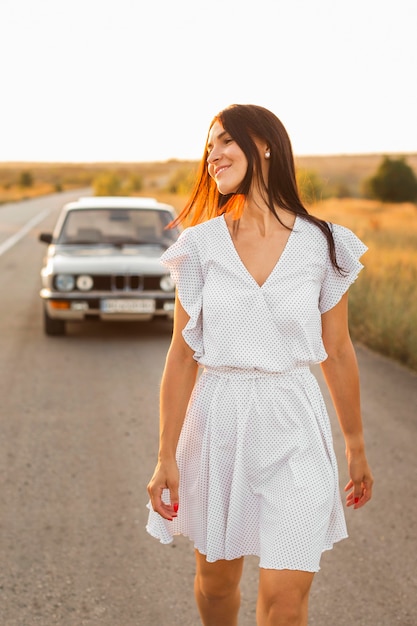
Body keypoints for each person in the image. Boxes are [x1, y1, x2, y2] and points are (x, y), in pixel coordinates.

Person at [147, 104, 373, 626]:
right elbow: (182, 355)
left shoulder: (325, 244)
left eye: (225, 141)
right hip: (219, 420)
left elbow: (337, 350)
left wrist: (356, 444)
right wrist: (165, 456)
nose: (213, 156)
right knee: (217, 585)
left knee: (286, 601)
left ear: (264, 144)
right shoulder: (200, 248)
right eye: (208, 147)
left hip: (295, 420)